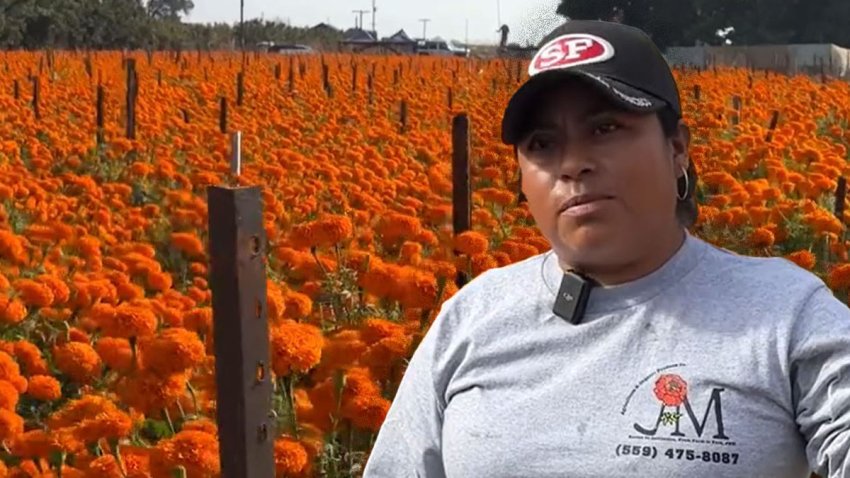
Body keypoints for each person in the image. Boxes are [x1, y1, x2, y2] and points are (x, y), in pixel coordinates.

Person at [362, 20, 850, 478]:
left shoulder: (783, 313)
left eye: (605, 128)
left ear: (677, 148)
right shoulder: (471, 318)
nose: (572, 164)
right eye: (541, 144)